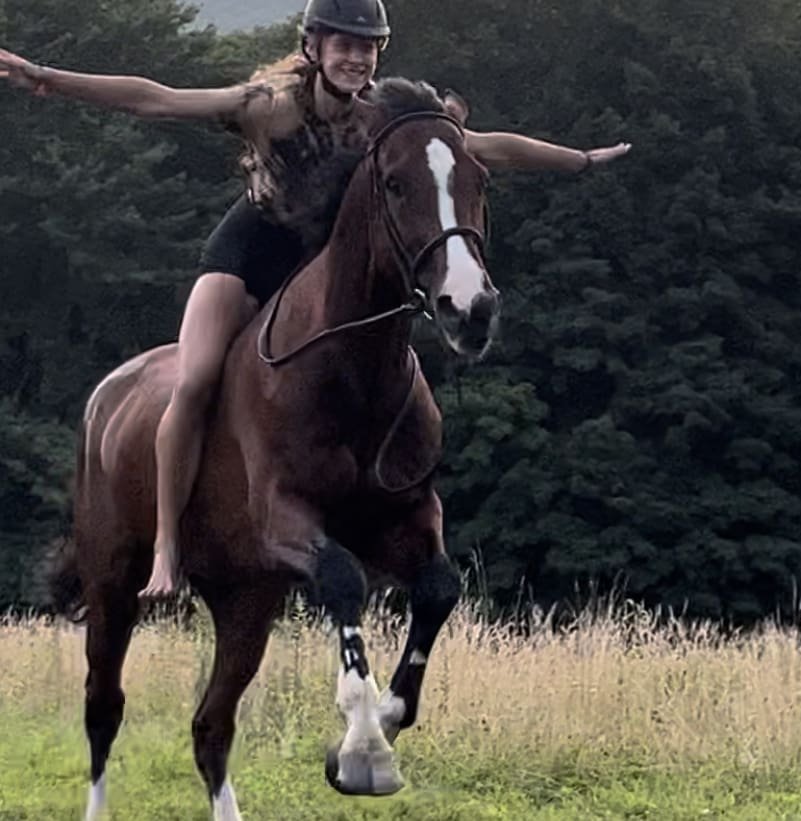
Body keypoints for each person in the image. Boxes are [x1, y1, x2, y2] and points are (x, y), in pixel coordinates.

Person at [0, 0, 631, 598]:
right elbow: (155, 99)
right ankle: (166, 548)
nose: (357, 59)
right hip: (250, 252)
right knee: (193, 381)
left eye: (368, 48)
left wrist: (579, 161)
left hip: (318, 262)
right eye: (345, 45)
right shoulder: (271, 106)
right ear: (314, 46)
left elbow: (483, 147)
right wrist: (48, 77)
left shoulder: (378, 119)